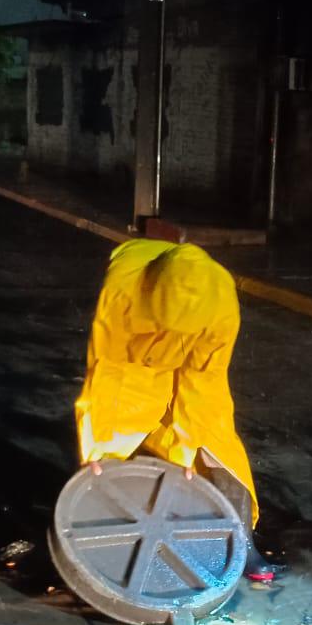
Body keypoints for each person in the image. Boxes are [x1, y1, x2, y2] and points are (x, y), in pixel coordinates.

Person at [74, 239, 265, 568]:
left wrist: (187, 450)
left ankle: (240, 540)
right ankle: (112, 516)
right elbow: (108, 371)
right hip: (134, 358)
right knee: (127, 419)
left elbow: (203, 383)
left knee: (214, 436)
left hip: (196, 354)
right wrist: (99, 447)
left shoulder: (220, 305)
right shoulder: (121, 289)